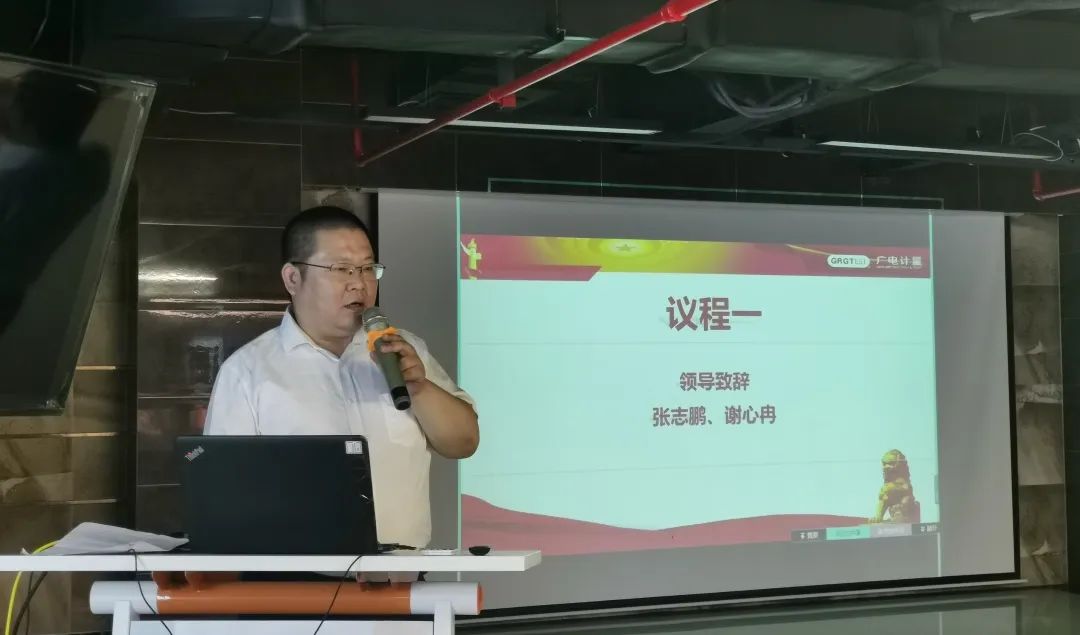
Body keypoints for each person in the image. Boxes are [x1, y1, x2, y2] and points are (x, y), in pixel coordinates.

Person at [203, 206, 479, 550]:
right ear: (293, 278)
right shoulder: (248, 371)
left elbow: (464, 442)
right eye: (342, 269)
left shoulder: (403, 352)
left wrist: (419, 388)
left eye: (367, 269)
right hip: (294, 577)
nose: (359, 283)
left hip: (401, 573)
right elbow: (224, 494)